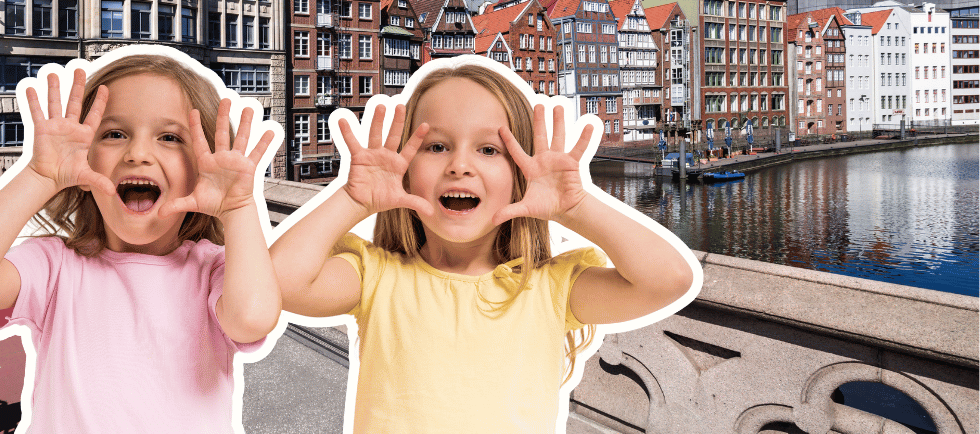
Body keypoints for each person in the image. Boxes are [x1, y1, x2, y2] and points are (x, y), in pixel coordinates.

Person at [271, 60, 698, 434]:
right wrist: (352, 200)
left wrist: (576, 208)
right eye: (436, 146)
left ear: (520, 176)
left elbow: (668, 279)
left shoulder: (546, 288)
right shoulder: (377, 276)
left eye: (489, 149)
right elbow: (276, 283)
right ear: (405, 170)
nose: (459, 165)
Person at [0, 54, 282, 433]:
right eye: (114, 134)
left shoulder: (214, 269)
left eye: (169, 137)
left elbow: (252, 318)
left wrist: (239, 209)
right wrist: (40, 176)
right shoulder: (56, 266)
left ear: (203, 168)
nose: (138, 154)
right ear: (85, 160)